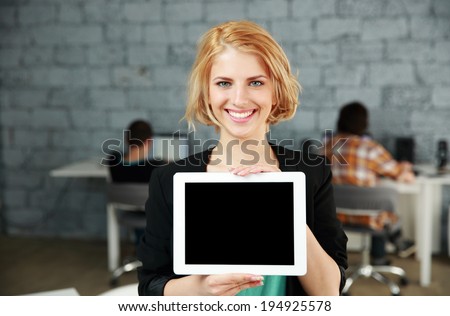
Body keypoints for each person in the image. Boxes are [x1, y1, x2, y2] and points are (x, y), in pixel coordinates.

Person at [137, 20, 348, 296]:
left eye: (256, 82)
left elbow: (329, 292)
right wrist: (200, 288)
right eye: (224, 83)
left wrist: (286, 208)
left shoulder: (312, 172)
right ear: (208, 92)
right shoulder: (169, 180)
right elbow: (150, 285)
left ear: (276, 91)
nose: (239, 99)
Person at [323, 101, 416, 264]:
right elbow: (401, 175)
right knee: (381, 205)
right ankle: (383, 253)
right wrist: (405, 167)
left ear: (340, 121)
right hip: (369, 217)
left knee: (375, 197)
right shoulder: (370, 148)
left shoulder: (326, 147)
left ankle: (378, 256)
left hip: (335, 215)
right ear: (364, 123)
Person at [108, 119, 166, 245]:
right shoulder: (155, 166)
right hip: (153, 215)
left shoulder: (113, 161)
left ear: (126, 139)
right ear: (149, 141)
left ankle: (142, 248)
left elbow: (123, 158)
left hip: (127, 208)